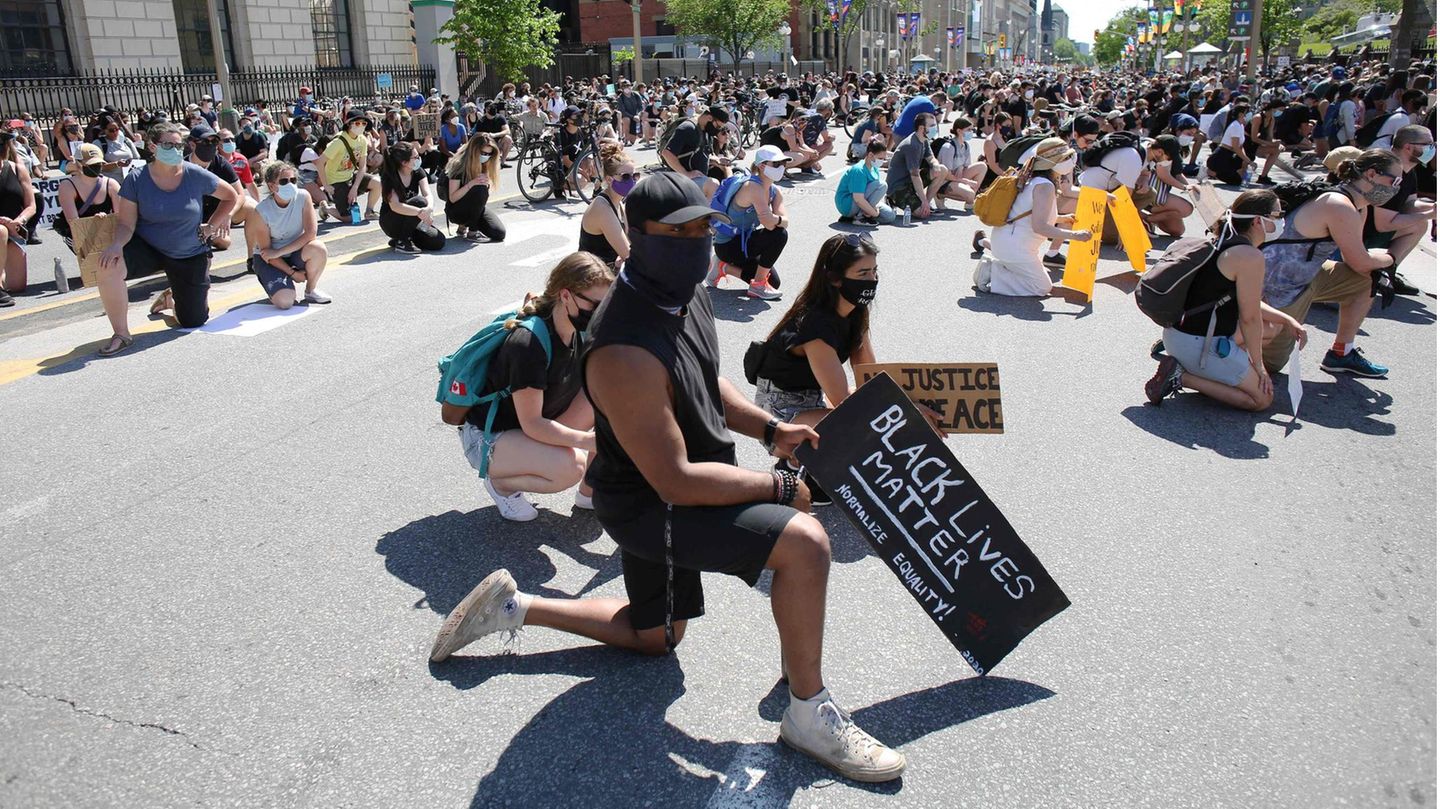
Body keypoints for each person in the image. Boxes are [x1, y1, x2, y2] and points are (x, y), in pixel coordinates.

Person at [428, 172, 908, 784]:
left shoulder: (681, 293)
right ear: (638, 237)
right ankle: (809, 712)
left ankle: (514, 605)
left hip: (680, 484)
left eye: (706, 225)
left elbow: (706, 379)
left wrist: (768, 430)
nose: (699, 239)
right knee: (806, 543)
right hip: (651, 504)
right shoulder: (623, 344)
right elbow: (676, 480)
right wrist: (780, 485)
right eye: (680, 231)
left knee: (656, 637)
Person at [442, 252, 613, 520]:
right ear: (565, 296)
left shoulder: (580, 330)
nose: (601, 313)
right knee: (569, 467)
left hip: (531, 424)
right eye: (595, 306)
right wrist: (590, 442)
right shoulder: (529, 344)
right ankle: (502, 485)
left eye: (606, 305)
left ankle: (589, 493)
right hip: (491, 437)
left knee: (609, 395)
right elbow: (533, 423)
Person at [750, 233, 882, 505]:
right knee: (856, 421)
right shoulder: (815, 327)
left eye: (875, 271)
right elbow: (843, 401)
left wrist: (908, 404)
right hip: (779, 413)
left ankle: (816, 465)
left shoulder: (856, 311)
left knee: (874, 415)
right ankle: (792, 466)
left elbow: (870, 376)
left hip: (810, 402)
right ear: (834, 278)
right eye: (863, 273)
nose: (872, 280)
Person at [1145, 190, 1308, 410]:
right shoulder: (1250, 257)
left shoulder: (1224, 240)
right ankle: (1180, 376)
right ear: (1258, 221)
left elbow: (1243, 301)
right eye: (1277, 215)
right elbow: (1250, 318)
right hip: (1196, 343)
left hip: (1179, 334)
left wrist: (1288, 320)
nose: (1282, 221)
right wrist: (1259, 368)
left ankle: (1203, 364)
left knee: (1272, 327)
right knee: (1261, 400)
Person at [94, 122, 240, 354]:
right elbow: (125, 223)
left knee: (194, 320)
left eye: (178, 145)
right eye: (168, 144)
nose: (175, 149)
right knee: (108, 266)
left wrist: (212, 226)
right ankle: (121, 333)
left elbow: (231, 196)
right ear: (152, 146)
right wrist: (117, 245)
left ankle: (170, 299)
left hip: (188, 250)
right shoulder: (136, 178)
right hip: (149, 247)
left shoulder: (194, 173)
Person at [1259, 149, 1401, 377]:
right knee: (1271, 365)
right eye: (1395, 181)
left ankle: (1341, 353)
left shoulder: (1357, 204)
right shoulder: (1339, 205)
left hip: (1305, 274)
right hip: (1278, 287)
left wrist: (1376, 264)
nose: (1397, 188)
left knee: (1365, 281)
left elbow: (1354, 264)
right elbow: (1362, 262)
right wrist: (1391, 257)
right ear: (1372, 174)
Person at [973, 138, 1093, 297]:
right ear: (1052, 162)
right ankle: (992, 274)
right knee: (1041, 287)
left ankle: (996, 268)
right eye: (1065, 158)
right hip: (1016, 249)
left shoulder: (1031, 179)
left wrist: (1062, 219)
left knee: (1038, 281)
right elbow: (1040, 226)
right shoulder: (1045, 186)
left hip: (1006, 242)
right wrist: (1075, 236)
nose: (1070, 161)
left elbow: (1030, 216)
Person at [245, 161, 330, 309]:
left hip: (290, 252)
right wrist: (292, 273)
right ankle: (274, 284)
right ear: (272, 186)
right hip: (270, 260)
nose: (290, 184)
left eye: (293, 180)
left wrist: (280, 251)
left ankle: (311, 290)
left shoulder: (304, 197)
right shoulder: (261, 210)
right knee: (285, 302)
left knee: (318, 248)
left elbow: (311, 233)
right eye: (284, 181)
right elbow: (267, 253)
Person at [708, 144, 789, 300]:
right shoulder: (752, 187)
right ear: (761, 165)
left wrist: (776, 220)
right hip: (728, 245)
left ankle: (723, 267)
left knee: (774, 282)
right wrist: (776, 220)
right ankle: (758, 285)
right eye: (777, 164)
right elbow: (770, 224)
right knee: (779, 235)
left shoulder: (774, 190)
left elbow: (784, 220)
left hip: (745, 243)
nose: (781, 167)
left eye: (783, 164)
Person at [1362, 124, 1436, 295]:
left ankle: (1387, 271)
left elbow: (1409, 205)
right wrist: (1429, 214)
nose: (1433, 148)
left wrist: (1432, 206)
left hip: (1370, 228)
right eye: (1428, 144)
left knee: (1419, 224)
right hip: (1357, 233)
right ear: (1408, 147)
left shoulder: (1408, 170)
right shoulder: (1388, 172)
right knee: (1420, 223)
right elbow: (1383, 224)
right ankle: (1381, 272)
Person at [315, 111, 382, 221]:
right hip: (336, 181)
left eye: (363, 124)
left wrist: (355, 188)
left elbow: (362, 165)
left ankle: (369, 211)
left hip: (351, 175)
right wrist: (326, 185)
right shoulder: (338, 142)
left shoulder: (362, 140)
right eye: (357, 123)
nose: (361, 126)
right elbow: (320, 162)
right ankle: (326, 208)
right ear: (348, 124)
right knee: (351, 218)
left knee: (377, 183)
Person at [379, 142, 444, 254]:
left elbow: (427, 194)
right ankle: (402, 241)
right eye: (415, 157)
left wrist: (428, 209)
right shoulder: (390, 176)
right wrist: (420, 212)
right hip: (392, 221)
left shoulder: (418, 172)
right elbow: (396, 206)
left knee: (437, 241)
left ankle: (403, 239)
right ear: (404, 162)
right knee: (419, 201)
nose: (418, 159)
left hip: (413, 219)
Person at [54, 143, 119, 255]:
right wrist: (93, 223)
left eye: (98, 163)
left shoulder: (111, 185)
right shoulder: (67, 187)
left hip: (108, 232)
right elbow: (74, 223)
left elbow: (120, 217)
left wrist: (105, 221)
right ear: (79, 164)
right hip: (81, 237)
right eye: (91, 164)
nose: (96, 166)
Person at [578, 143, 634, 266]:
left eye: (635, 176)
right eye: (625, 177)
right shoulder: (602, 208)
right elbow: (628, 255)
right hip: (591, 280)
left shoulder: (619, 204)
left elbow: (631, 242)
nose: (632, 181)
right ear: (609, 179)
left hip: (607, 273)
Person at [444, 132, 507, 243]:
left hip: (475, 208)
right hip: (456, 210)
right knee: (480, 189)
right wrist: (471, 184)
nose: (486, 157)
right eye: (483, 153)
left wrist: (486, 183)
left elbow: (483, 196)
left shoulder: (485, 164)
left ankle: (467, 225)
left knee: (499, 233)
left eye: (489, 154)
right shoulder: (459, 165)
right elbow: (453, 198)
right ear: (474, 150)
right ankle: (472, 231)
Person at [885, 111, 946, 220]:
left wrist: (935, 164)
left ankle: (927, 204)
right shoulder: (912, 145)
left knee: (942, 170)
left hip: (910, 182)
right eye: (931, 126)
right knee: (922, 214)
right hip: (898, 187)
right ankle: (891, 199)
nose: (935, 128)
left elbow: (930, 157)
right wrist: (923, 201)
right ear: (922, 128)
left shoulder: (924, 139)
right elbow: (915, 176)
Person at [660, 105, 728, 200]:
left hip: (699, 176)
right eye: (718, 126)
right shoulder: (688, 128)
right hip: (682, 179)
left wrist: (717, 160)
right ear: (709, 118)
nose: (718, 130)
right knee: (713, 185)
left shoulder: (706, 131)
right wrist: (686, 173)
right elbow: (667, 153)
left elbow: (701, 153)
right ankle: (706, 214)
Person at [0, 133, 37, 304]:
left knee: (16, 286)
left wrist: (20, 220)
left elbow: (31, 205)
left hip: (14, 230)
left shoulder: (17, 169)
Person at [1136, 135, 1196, 237]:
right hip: (1149, 190)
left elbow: (1177, 174)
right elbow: (1163, 175)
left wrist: (1191, 187)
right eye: (1188, 132)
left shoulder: (1171, 149)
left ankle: (1147, 219)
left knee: (1177, 231)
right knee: (1186, 209)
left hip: (1154, 190)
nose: (1190, 136)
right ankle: (1142, 218)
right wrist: (1185, 188)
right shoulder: (1162, 149)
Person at [835, 140, 895, 225]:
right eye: (880, 158)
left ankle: (859, 215)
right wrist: (875, 213)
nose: (882, 161)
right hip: (848, 204)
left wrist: (873, 208)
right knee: (882, 185)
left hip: (862, 200)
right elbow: (858, 199)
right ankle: (860, 218)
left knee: (890, 216)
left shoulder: (874, 168)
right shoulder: (859, 170)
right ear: (870, 155)